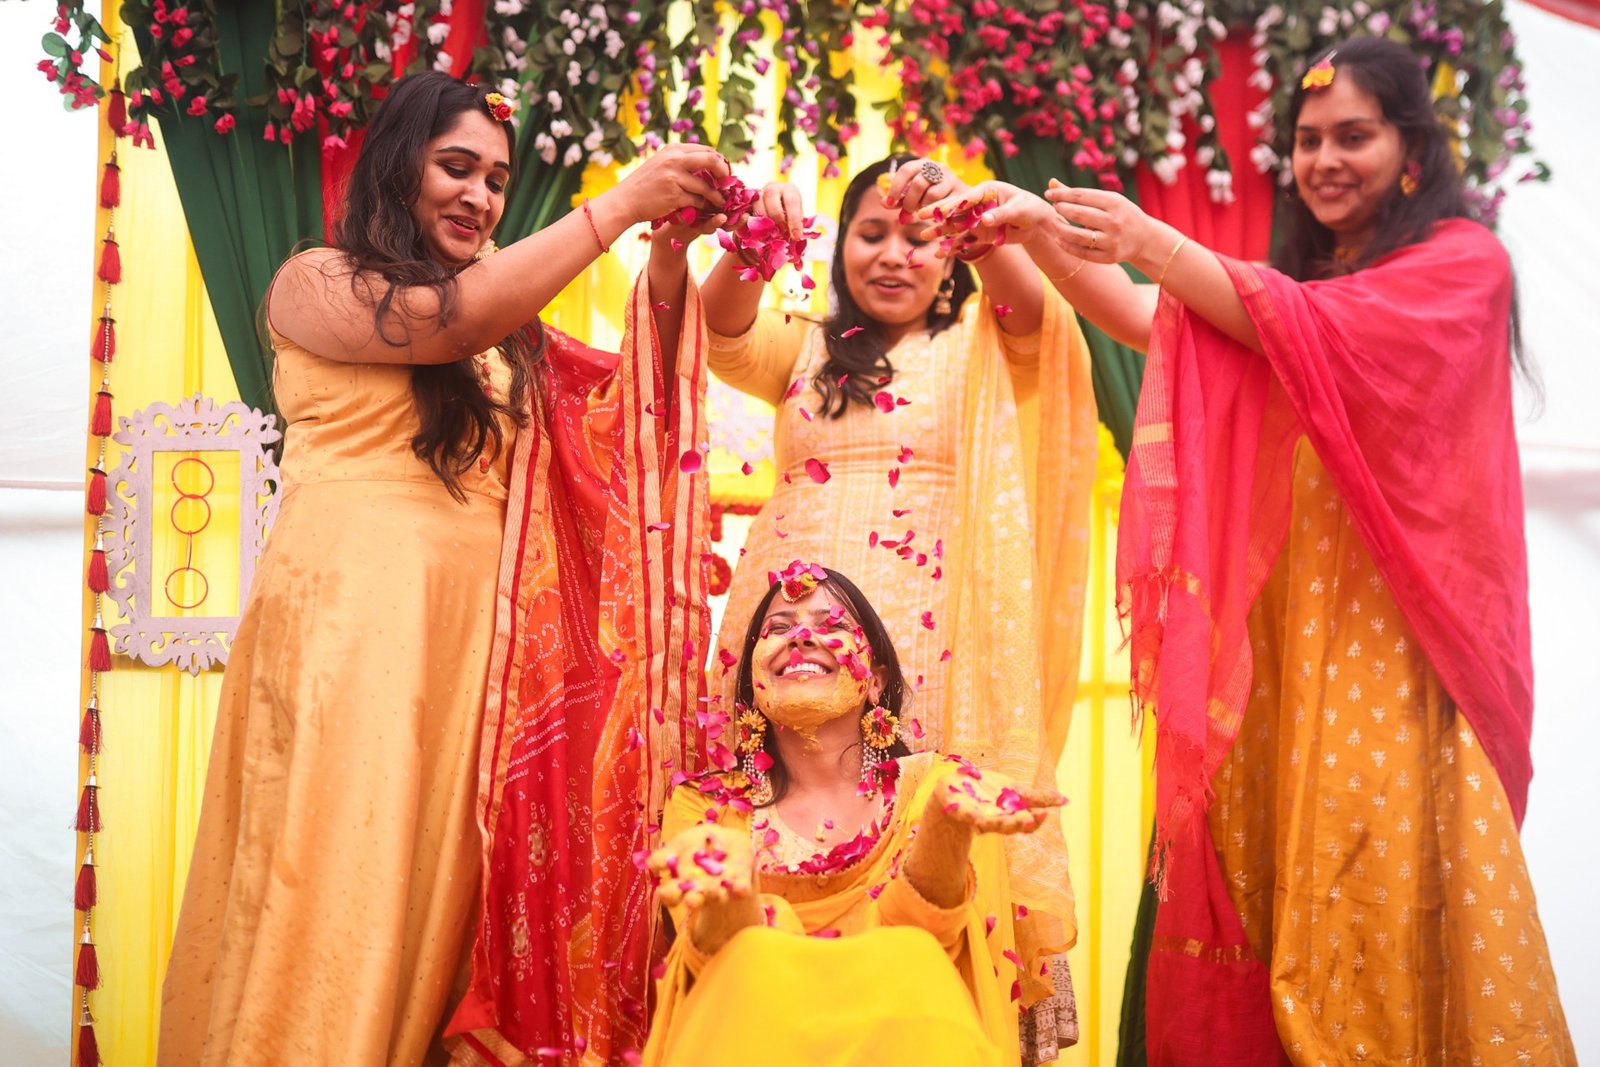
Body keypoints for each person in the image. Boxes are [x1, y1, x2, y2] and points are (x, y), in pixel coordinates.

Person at [923, 35, 1574, 1065]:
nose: (1324, 161)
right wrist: (1042, 231)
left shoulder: (1462, 267)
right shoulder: (1299, 298)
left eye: (1352, 136)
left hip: (1399, 662)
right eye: (1307, 140)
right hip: (1283, 656)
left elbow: (1288, 320)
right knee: (1269, 901)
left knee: (1374, 891)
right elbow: (1151, 318)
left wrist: (1150, 237)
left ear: (1412, 151)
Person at [157, 71, 729, 1066]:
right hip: (350, 627)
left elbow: (625, 407)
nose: (481, 196)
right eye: (456, 167)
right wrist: (615, 206)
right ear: (396, 166)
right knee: (337, 871)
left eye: (498, 181)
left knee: (448, 897)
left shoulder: (508, 332)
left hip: (481, 654)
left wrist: (676, 257)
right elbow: (446, 321)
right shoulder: (315, 281)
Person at [697, 156, 1097, 1059]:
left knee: (927, 844)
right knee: (776, 815)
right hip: (790, 628)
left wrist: (976, 224)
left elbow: (1037, 315)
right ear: (839, 246)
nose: (892, 255)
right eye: (870, 234)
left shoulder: (980, 341)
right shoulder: (808, 346)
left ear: (951, 254)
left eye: (918, 238)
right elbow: (722, 331)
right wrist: (757, 242)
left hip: (931, 639)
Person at [643, 563, 1066, 1067]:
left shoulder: (939, 789)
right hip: (758, 1044)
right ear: (753, 681)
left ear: (876, 683)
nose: (800, 637)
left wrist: (945, 830)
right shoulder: (708, 810)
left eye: (832, 624)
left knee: (912, 954)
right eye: (778, 628)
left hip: (904, 1045)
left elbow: (927, 948)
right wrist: (731, 903)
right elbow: (717, 966)